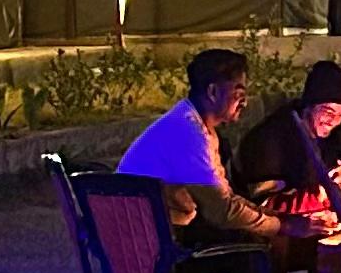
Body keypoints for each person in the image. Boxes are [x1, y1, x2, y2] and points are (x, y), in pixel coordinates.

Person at [115, 49, 290, 254]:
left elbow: (225, 197)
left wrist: (275, 217)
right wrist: (282, 226)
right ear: (213, 92)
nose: (245, 102)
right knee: (251, 245)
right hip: (141, 237)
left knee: (252, 233)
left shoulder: (199, 126)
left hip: (160, 225)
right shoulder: (188, 132)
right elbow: (222, 210)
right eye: (239, 94)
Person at [232, 62, 341, 245]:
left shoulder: (331, 138)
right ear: (309, 105)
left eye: (340, 115)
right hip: (268, 236)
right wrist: (336, 189)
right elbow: (264, 207)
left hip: (314, 231)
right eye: (328, 112)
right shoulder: (270, 140)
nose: (333, 121)